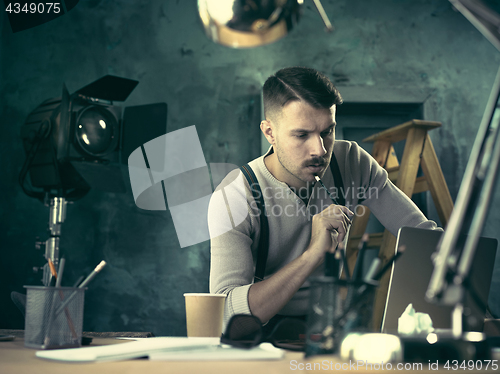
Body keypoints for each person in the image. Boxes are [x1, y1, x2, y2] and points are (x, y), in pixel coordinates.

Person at [208, 66, 440, 331]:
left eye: (327, 132)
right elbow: (224, 310)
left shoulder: (352, 162)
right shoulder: (235, 195)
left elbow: (424, 238)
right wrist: (312, 255)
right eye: (302, 135)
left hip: (328, 330)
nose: (319, 150)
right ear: (269, 132)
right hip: (260, 339)